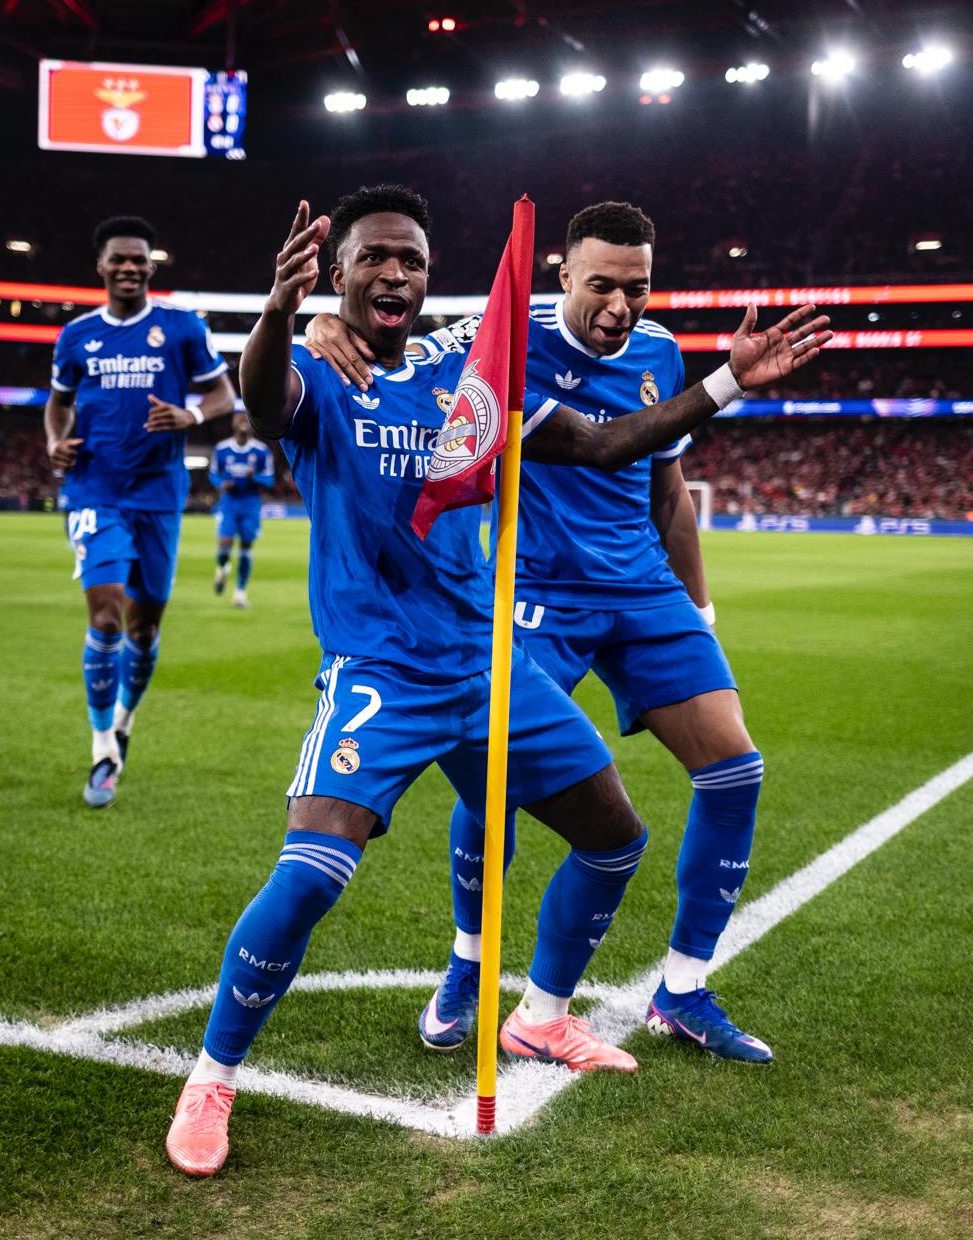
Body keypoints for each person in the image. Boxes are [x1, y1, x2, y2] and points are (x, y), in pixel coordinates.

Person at [163, 184, 829, 1177]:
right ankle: (213, 1075)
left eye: (412, 261)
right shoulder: (317, 368)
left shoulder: (468, 376)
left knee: (613, 837)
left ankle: (539, 1016)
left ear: (430, 279)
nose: (395, 274)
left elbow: (605, 444)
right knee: (309, 876)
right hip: (380, 667)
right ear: (338, 273)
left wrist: (723, 382)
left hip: (485, 662)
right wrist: (274, 310)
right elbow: (262, 402)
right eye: (374, 259)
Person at [306, 200, 810, 1065]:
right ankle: (471, 965)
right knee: (491, 786)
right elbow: (389, 341)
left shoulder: (660, 353)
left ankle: (682, 991)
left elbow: (668, 490)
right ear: (562, 276)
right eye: (603, 287)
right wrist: (321, 326)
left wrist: (699, 609)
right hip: (535, 592)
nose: (621, 307)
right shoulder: (494, 335)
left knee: (736, 771)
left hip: (643, 591)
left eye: (638, 289)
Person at [45, 215, 235, 809]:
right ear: (100, 267)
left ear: (152, 266)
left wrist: (192, 417)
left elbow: (223, 395)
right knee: (105, 617)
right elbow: (57, 405)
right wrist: (55, 443)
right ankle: (103, 748)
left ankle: (124, 719)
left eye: (139, 259)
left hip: (159, 494)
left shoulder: (180, 328)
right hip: (94, 490)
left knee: (143, 628)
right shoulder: (76, 336)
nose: (129, 267)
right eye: (118, 259)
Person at [209, 410, 275, 608]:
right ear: (233, 424)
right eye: (239, 419)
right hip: (229, 503)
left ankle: (240, 593)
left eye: (246, 418)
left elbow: (270, 480)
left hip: (250, 505)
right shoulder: (221, 449)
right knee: (224, 547)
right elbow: (213, 474)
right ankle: (223, 567)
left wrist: (253, 477)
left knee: (246, 549)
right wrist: (221, 484)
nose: (243, 422)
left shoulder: (262, 451)